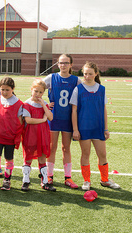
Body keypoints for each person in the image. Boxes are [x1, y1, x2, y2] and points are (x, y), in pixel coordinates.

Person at [70, 61, 120, 191]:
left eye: (90, 74)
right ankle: (86, 181)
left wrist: (106, 128)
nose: (87, 76)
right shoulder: (78, 89)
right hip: (83, 128)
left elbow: (103, 109)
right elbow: (74, 110)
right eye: (85, 73)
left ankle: (104, 180)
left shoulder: (101, 89)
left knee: (102, 154)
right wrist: (75, 129)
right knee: (85, 154)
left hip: (98, 127)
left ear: (96, 74)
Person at [44, 54, 82, 189]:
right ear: (57, 64)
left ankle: (68, 177)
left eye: (66, 63)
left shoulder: (76, 81)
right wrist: (45, 103)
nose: (63, 65)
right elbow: (35, 88)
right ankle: (49, 175)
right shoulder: (51, 77)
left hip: (68, 119)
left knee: (66, 148)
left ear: (71, 65)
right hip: (54, 118)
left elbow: (83, 95)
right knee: (52, 147)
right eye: (61, 63)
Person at [0, 77, 23, 191]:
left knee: (8, 158)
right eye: (2, 90)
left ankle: (7, 179)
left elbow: (20, 121)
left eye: (7, 90)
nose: (5, 92)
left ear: (13, 89)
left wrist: (16, 134)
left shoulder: (18, 103)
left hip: (10, 136)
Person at [21, 80, 56, 192]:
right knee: (28, 157)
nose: (38, 94)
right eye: (36, 91)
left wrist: (44, 106)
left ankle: (44, 181)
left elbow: (50, 117)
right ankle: (26, 180)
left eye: (40, 92)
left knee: (42, 156)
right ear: (31, 90)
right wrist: (42, 120)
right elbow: (28, 120)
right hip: (30, 134)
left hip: (43, 134)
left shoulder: (44, 103)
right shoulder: (26, 104)